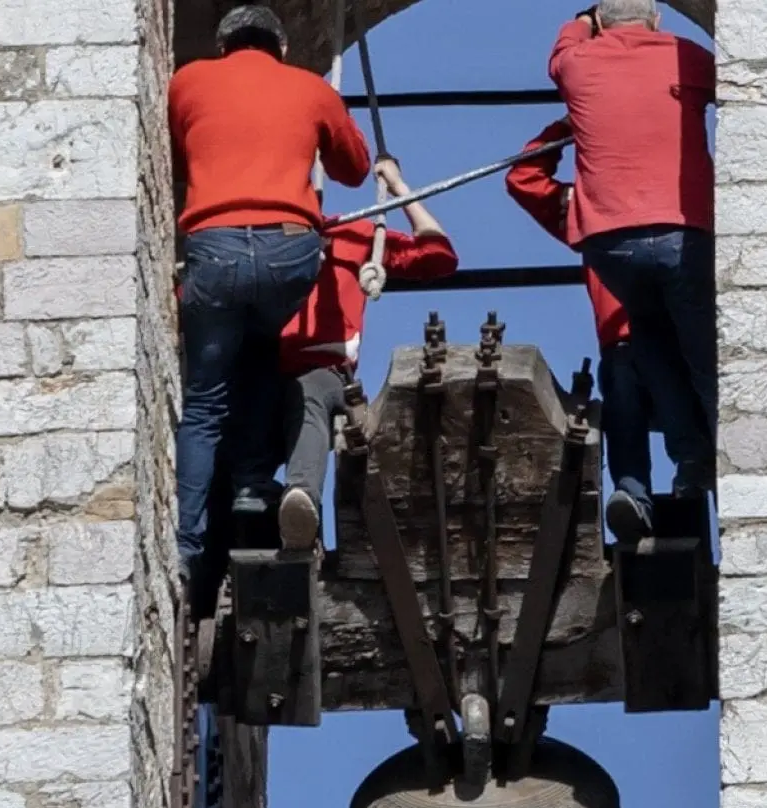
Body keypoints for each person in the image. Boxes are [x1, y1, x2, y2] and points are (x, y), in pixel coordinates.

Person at [168, 4, 372, 604]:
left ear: (224, 44)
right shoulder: (309, 87)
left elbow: (183, 160)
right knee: (262, 349)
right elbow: (355, 170)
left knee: (204, 402)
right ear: (281, 48)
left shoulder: (187, 81)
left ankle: (185, 546)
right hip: (290, 251)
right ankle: (254, 487)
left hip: (216, 243)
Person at [550, 0, 716, 537]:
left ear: (599, 25)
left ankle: (691, 459)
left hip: (610, 242)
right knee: (706, 359)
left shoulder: (578, 62)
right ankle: (724, 459)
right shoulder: (686, 55)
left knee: (648, 338)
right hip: (681, 232)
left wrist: (582, 20)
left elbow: (560, 51)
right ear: (657, 21)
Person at [505, 119, 711, 543]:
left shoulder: (675, 204)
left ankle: (688, 477)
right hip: (631, 345)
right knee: (624, 375)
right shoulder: (591, 208)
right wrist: (571, 126)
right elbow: (524, 177)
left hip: (684, 339)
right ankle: (638, 494)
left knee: (646, 371)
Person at [262, 157, 459, 551]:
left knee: (310, 392)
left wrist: (400, 188)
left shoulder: (351, 235)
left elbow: (438, 255)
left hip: (322, 373)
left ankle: (301, 504)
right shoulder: (262, 237)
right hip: (265, 375)